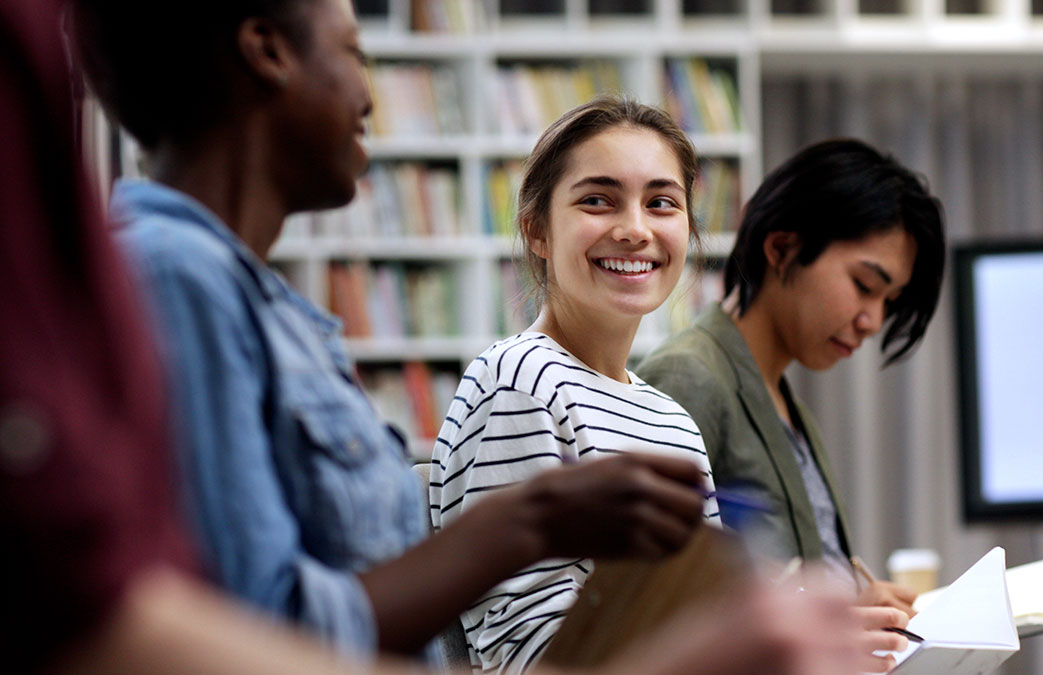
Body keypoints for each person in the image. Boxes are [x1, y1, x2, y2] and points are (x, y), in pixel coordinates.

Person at [65, 0, 717, 662]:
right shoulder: (176, 277)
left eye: (663, 202)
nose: (371, 96)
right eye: (353, 53)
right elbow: (255, 629)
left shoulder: (273, 313)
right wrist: (527, 520)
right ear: (267, 53)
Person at [428, 100, 911, 674]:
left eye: (661, 203)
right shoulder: (520, 383)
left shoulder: (670, 418)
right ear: (536, 229)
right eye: (597, 200)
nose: (635, 230)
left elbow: (701, 616)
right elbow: (526, 661)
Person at [636, 138, 946, 615]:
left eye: (889, 301)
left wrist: (853, 601)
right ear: (782, 248)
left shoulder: (784, 399)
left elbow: (778, 580)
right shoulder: (689, 377)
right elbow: (654, 595)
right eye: (865, 286)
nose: (873, 320)